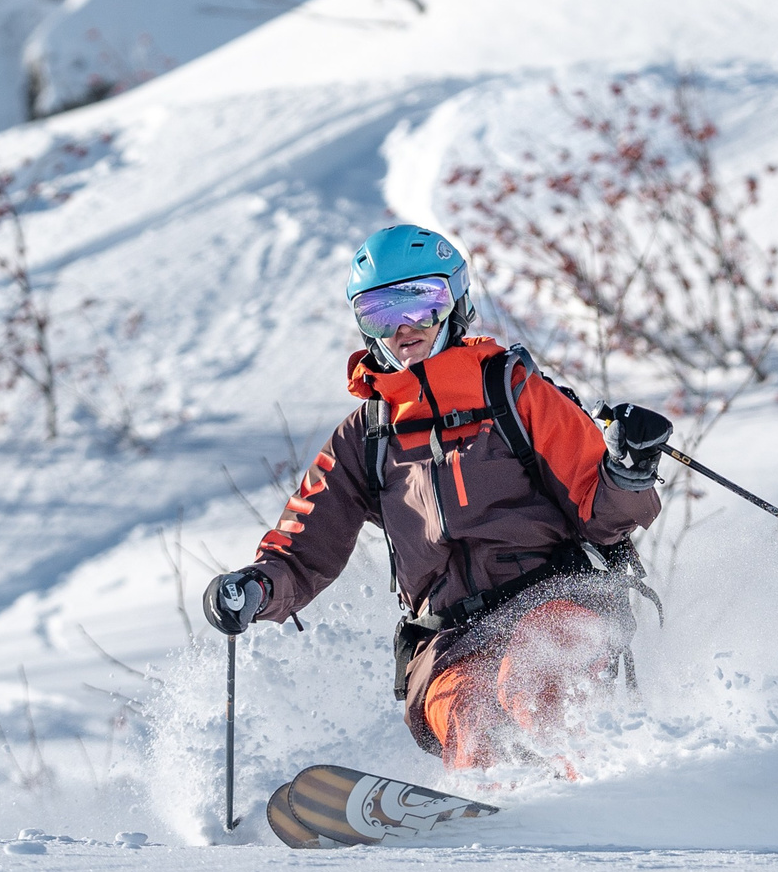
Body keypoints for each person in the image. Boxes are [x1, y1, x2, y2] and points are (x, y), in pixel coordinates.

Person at [203, 223, 673, 773]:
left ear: (455, 302)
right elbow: (306, 543)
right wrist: (261, 585)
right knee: (470, 726)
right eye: (378, 312)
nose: (403, 328)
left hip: (558, 600)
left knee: (531, 682)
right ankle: (498, 827)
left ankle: (593, 793)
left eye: (421, 303)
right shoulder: (368, 434)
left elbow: (601, 514)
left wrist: (630, 471)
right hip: (450, 634)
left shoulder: (514, 392)